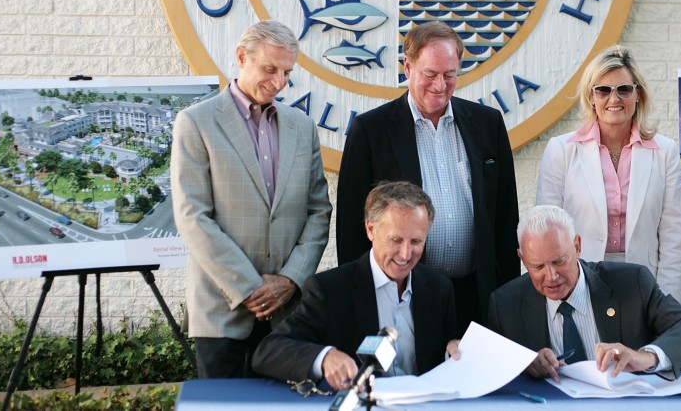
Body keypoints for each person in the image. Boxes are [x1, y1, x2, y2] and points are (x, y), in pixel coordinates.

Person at [171, 20, 332, 379]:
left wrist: (290, 280)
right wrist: (250, 287)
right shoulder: (195, 122)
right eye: (269, 69)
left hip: (287, 313)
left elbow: (318, 211)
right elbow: (192, 216)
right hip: (220, 312)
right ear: (242, 57)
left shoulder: (302, 127)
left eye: (287, 72)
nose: (279, 83)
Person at [335, 21, 519, 332]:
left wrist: (509, 298)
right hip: (404, 296)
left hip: (478, 296)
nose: (440, 85)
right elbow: (352, 228)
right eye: (430, 74)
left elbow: (504, 217)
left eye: (450, 74)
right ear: (407, 67)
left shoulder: (488, 124)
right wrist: (363, 300)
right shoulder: (371, 131)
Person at [252, 181, 458, 387]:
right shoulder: (330, 290)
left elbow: (444, 355)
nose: (406, 254)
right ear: (370, 230)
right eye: (396, 240)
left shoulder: (439, 288)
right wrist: (325, 358)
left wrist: (455, 352)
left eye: (416, 242)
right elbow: (268, 351)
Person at [536, 45, 681, 304]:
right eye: (603, 90)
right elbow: (548, 233)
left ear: (638, 94)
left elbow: (675, 236)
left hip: (645, 286)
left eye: (624, 89)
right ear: (591, 97)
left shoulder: (665, 152)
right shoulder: (561, 151)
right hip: (578, 283)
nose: (614, 99)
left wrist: (668, 305)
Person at [486, 205, 681, 382]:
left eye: (559, 261)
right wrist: (525, 364)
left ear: (577, 246)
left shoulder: (631, 283)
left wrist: (643, 357)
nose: (551, 276)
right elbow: (489, 365)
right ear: (522, 259)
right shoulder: (506, 304)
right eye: (537, 267)